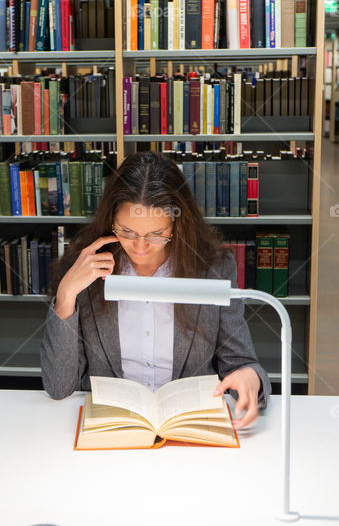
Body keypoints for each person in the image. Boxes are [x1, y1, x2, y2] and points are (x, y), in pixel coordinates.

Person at [41, 150, 270, 429]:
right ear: (110, 220)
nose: (140, 247)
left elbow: (242, 363)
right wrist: (65, 295)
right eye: (127, 232)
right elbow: (59, 387)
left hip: (187, 428)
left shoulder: (214, 268)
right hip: (113, 428)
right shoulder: (85, 268)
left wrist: (250, 378)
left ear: (177, 224)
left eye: (156, 234)